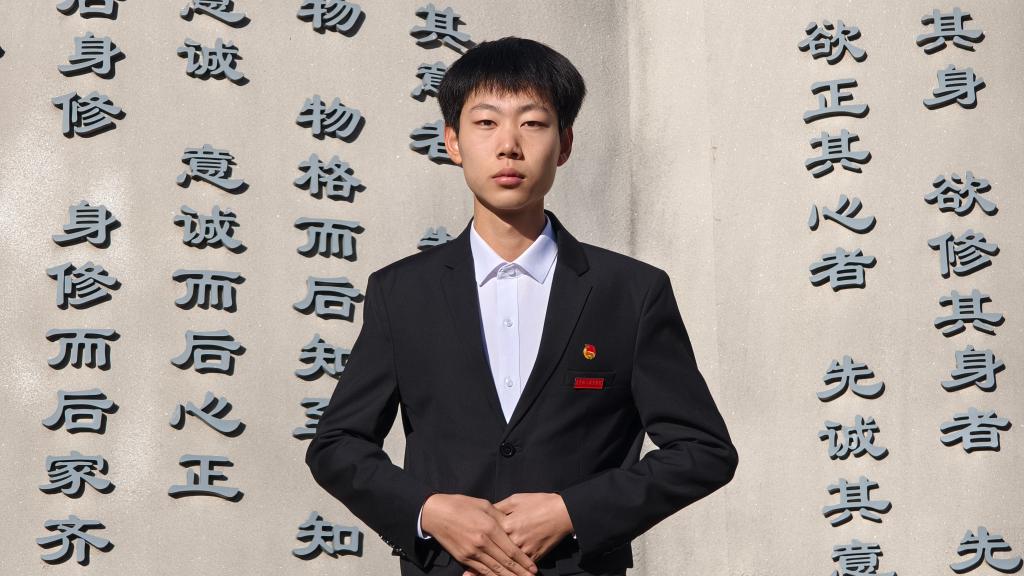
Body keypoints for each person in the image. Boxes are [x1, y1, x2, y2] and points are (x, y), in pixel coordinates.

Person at [305, 36, 738, 576]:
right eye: (486, 123)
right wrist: (429, 511)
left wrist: (571, 512)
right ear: (453, 141)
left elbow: (703, 450)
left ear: (564, 143)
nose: (509, 144)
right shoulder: (402, 292)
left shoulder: (630, 292)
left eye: (533, 123)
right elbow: (337, 445)